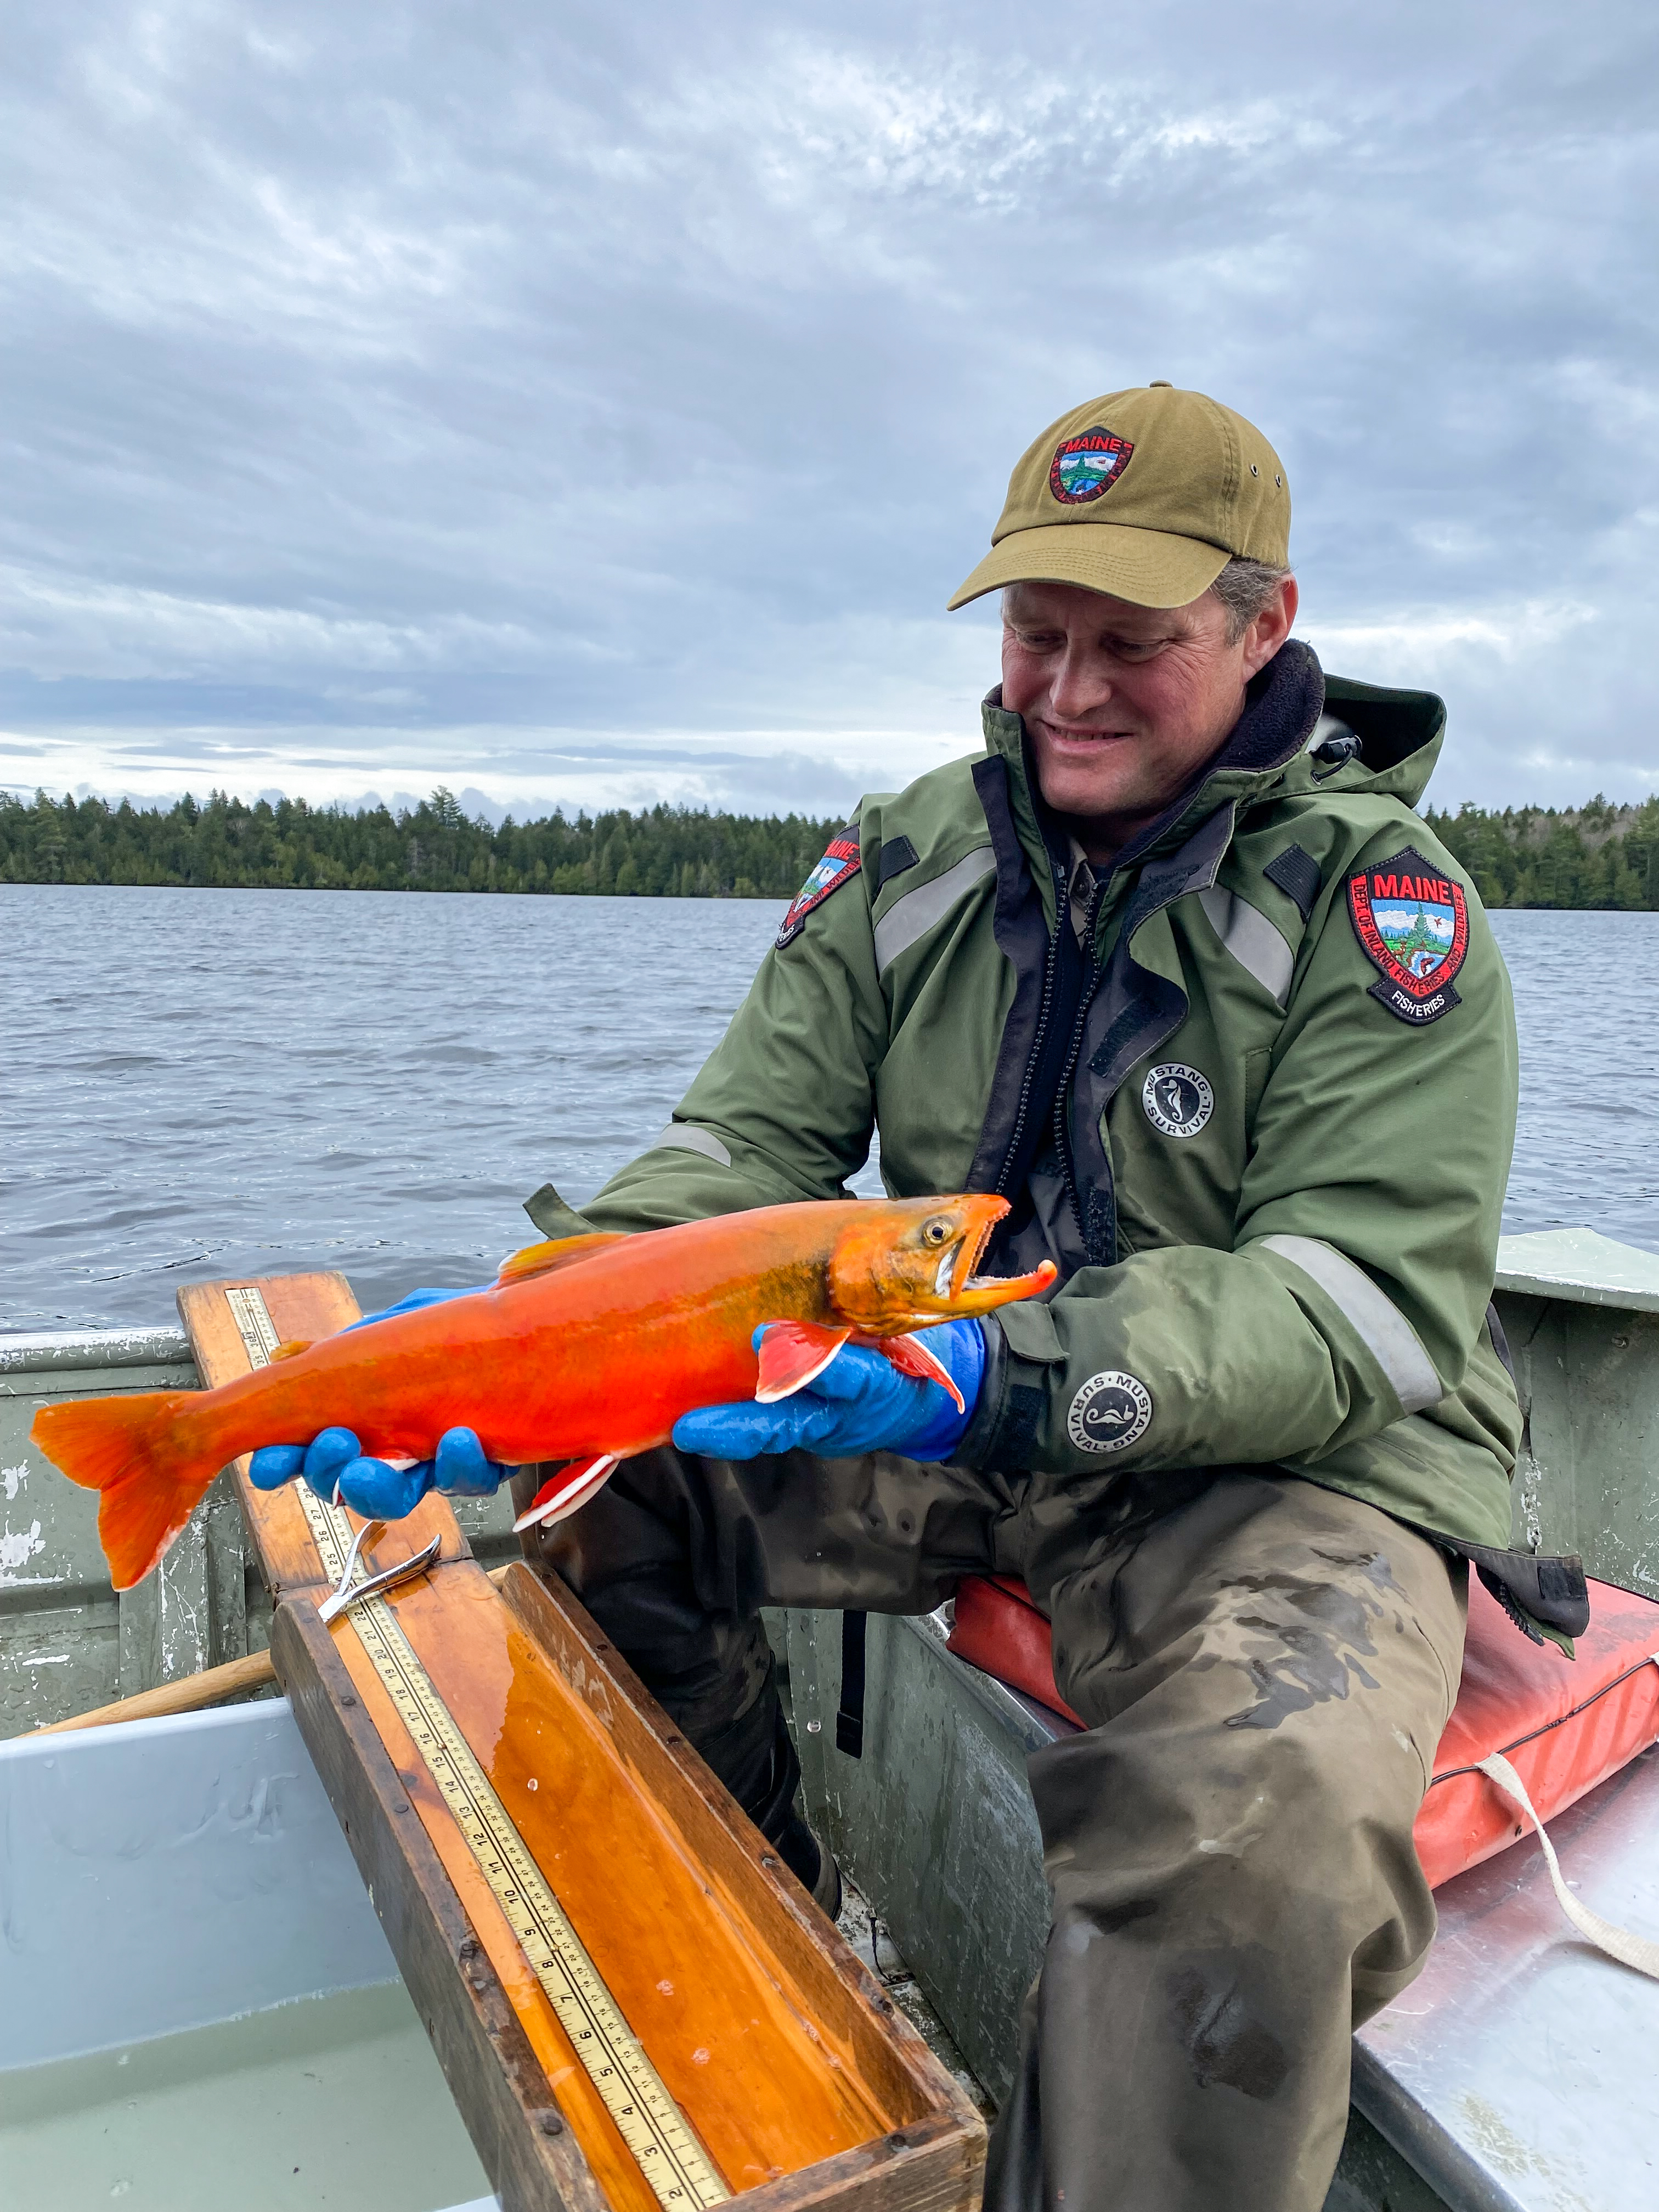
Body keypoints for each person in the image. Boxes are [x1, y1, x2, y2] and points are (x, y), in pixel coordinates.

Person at [252, 384, 1566, 2212]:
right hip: (939, 1402)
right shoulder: (911, 854)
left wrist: (996, 1368)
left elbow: (1355, 1307)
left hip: (1291, 1473)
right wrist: (541, 1330)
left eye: (1134, 643)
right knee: (608, 1490)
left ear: (1267, 626)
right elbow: (737, 1148)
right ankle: (767, 1981)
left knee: (1248, 1838)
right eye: (1037, 635)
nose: (1068, 691)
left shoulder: (1380, 907)